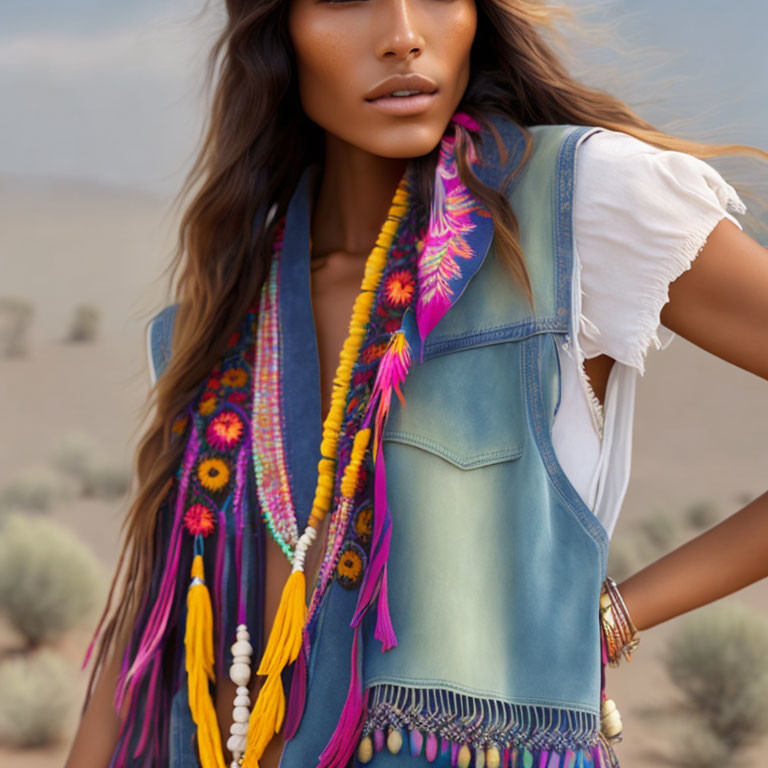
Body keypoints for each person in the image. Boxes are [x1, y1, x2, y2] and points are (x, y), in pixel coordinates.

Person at [64, 1, 768, 767]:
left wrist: (613, 616)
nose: (402, 34)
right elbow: (147, 641)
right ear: (276, 29)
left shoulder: (572, 205)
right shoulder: (225, 309)